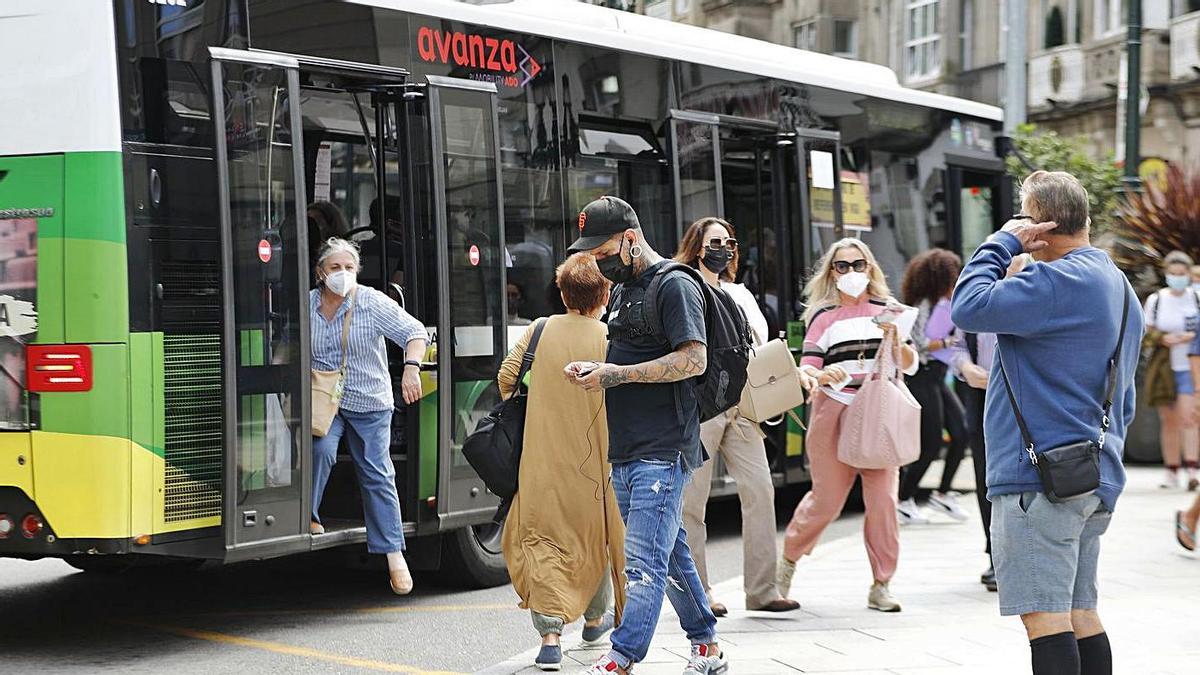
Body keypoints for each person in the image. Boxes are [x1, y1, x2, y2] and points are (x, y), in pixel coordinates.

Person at [952, 170, 1142, 675]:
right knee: (1080, 612)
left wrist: (1000, 243)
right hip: (1092, 471)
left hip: (1040, 478)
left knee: (1045, 618)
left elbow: (968, 306)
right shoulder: (1117, 284)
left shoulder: (1055, 279)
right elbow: (1124, 390)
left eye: (1022, 217)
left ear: (1040, 223)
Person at [564, 196, 726, 675]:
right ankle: (707, 645)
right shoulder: (620, 291)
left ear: (631, 240)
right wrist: (599, 369)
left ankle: (621, 658)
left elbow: (692, 360)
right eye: (591, 254)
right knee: (670, 552)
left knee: (642, 563)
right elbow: (627, 356)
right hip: (628, 446)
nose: (598, 261)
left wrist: (615, 374)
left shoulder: (674, 285)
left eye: (604, 250)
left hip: (664, 444)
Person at [498, 253, 626, 671]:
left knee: (546, 541)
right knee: (596, 537)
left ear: (563, 292)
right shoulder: (612, 337)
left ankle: (551, 638)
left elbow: (506, 377)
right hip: (598, 461)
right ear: (604, 294)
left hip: (543, 457)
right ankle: (595, 621)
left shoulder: (539, 329)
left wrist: (540, 403)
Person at [779, 238, 918, 613]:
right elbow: (808, 367)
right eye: (842, 266)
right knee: (826, 501)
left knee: (884, 502)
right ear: (831, 272)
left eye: (859, 264)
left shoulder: (889, 312)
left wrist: (895, 338)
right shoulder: (822, 318)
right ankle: (788, 560)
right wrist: (821, 376)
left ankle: (882, 583)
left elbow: (908, 361)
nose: (852, 272)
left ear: (870, 268)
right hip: (833, 413)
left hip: (879, 414)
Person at [675, 218, 800, 617]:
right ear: (697, 246)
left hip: (742, 402)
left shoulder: (740, 292)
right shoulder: (682, 286)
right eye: (716, 242)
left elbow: (757, 343)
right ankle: (700, 593)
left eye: (729, 242)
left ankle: (762, 590)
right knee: (693, 500)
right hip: (701, 403)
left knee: (760, 489)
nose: (724, 249)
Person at [310, 238, 428, 595]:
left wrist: (411, 368)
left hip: (369, 400)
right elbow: (287, 342)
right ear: (320, 273)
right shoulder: (307, 305)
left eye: (349, 268)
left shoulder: (372, 302)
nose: (343, 274)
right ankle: (309, 516)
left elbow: (415, 332)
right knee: (320, 451)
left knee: (376, 472)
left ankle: (393, 554)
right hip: (324, 399)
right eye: (335, 268)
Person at [950, 253, 1031, 593]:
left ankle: (1027, 557)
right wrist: (966, 369)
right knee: (989, 480)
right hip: (981, 401)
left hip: (1024, 402)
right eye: (1009, 270)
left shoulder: (1033, 303)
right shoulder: (981, 301)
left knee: (1026, 480)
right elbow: (956, 345)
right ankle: (996, 557)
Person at [897, 249, 970, 525]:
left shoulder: (944, 302)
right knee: (931, 442)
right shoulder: (923, 304)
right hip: (923, 374)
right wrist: (948, 343)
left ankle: (942, 493)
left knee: (961, 432)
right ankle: (904, 499)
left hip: (938, 375)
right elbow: (917, 344)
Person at [1143, 251, 1200, 491]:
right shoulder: (1157, 300)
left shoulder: (1196, 298)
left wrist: (1191, 336)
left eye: (1181, 274)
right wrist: (1163, 339)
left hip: (1191, 367)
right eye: (1172, 274)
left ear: (1188, 274)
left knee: (1190, 418)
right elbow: (1146, 334)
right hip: (1165, 367)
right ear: (1166, 273)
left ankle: (1192, 469)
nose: (1177, 278)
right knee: (1169, 420)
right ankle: (1171, 470)